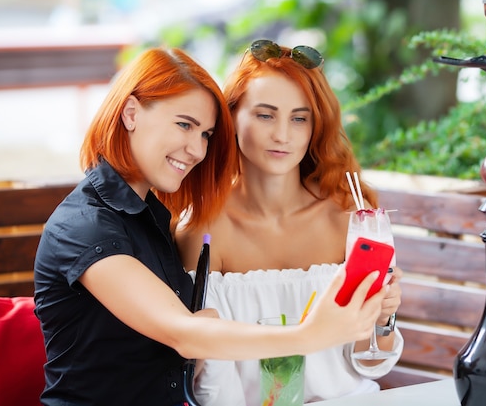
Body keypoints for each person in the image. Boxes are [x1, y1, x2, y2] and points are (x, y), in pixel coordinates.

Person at [33, 47, 386, 406]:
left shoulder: (151, 217)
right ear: (130, 113)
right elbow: (184, 334)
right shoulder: (84, 228)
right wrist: (310, 335)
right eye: (184, 124)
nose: (197, 149)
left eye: (206, 134)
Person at [175, 39, 404, 405]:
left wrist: (384, 318)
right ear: (231, 117)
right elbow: (206, 385)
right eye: (265, 115)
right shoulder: (201, 233)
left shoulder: (350, 220)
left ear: (316, 126)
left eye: (299, 118)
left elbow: (371, 365)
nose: (283, 135)